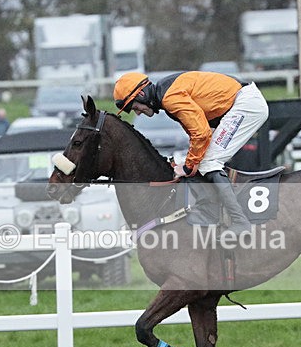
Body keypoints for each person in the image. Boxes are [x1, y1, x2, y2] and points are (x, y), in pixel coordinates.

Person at [114, 71, 269, 235]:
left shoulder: (169, 98)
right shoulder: (166, 94)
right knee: (204, 160)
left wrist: (188, 166)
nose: (137, 113)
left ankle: (240, 221)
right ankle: (215, 211)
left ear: (141, 94)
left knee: (209, 162)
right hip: (242, 102)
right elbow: (196, 133)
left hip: (245, 105)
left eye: (135, 107)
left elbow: (201, 133)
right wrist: (191, 162)